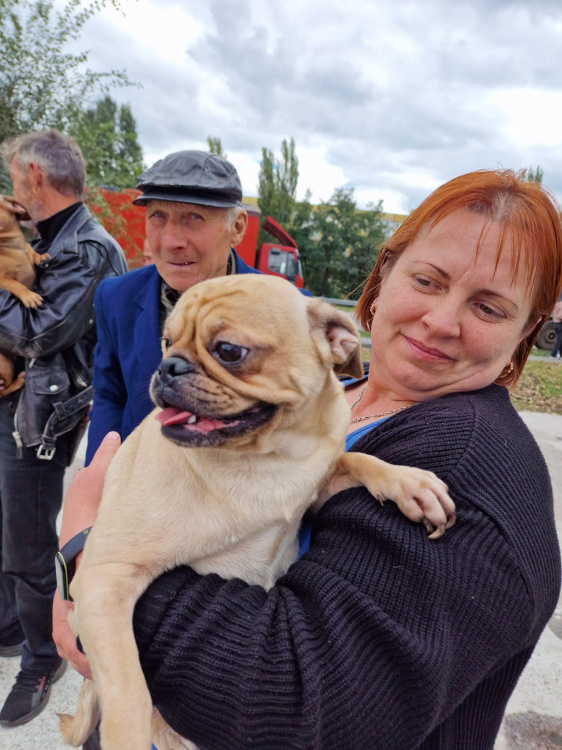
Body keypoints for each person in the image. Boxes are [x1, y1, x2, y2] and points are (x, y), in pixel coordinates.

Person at [54, 169, 562, 749]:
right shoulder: (328, 394)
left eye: (489, 308)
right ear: (385, 271)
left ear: (529, 331)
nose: (441, 321)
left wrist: (86, 555)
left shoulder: (474, 472)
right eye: (427, 279)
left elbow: (306, 709)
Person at [0, 129, 127, 727]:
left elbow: (38, 334)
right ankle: (11, 625)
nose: (10, 188)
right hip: (18, 404)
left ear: (34, 175)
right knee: (8, 525)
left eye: (11, 176)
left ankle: (41, 659)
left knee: (30, 540)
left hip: (42, 417)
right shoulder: (44, 237)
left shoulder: (88, 247)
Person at [84, 149, 269, 464]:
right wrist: (98, 480)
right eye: (157, 216)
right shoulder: (115, 298)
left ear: (237, 228)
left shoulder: (285, 310)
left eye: (193, 217)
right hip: (141, 492)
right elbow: (109, 397)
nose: (170, 240)